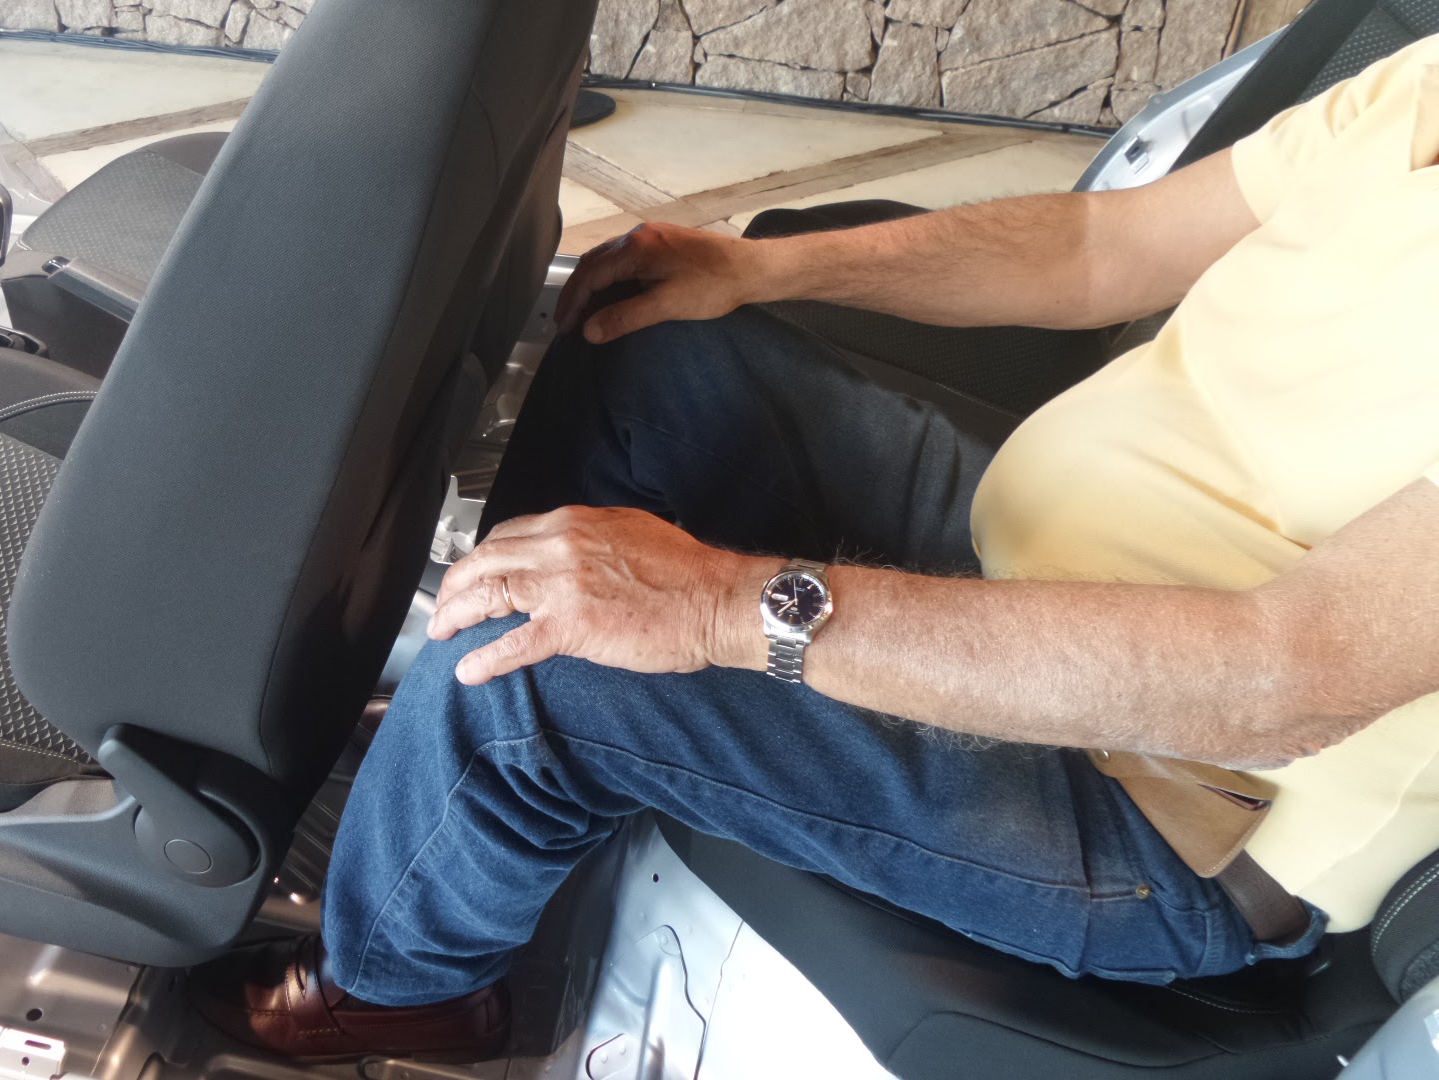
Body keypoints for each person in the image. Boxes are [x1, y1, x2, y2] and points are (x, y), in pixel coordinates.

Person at [188, 37, 1439, 1061]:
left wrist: (722, 608)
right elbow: (1102, 246)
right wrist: (755, 269)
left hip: (1174, 797)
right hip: (1037, 552)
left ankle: (403, 983)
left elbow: (1281, 680)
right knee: (649, 349)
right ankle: (470, 768)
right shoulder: (1423, 85)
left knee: (539, 684)